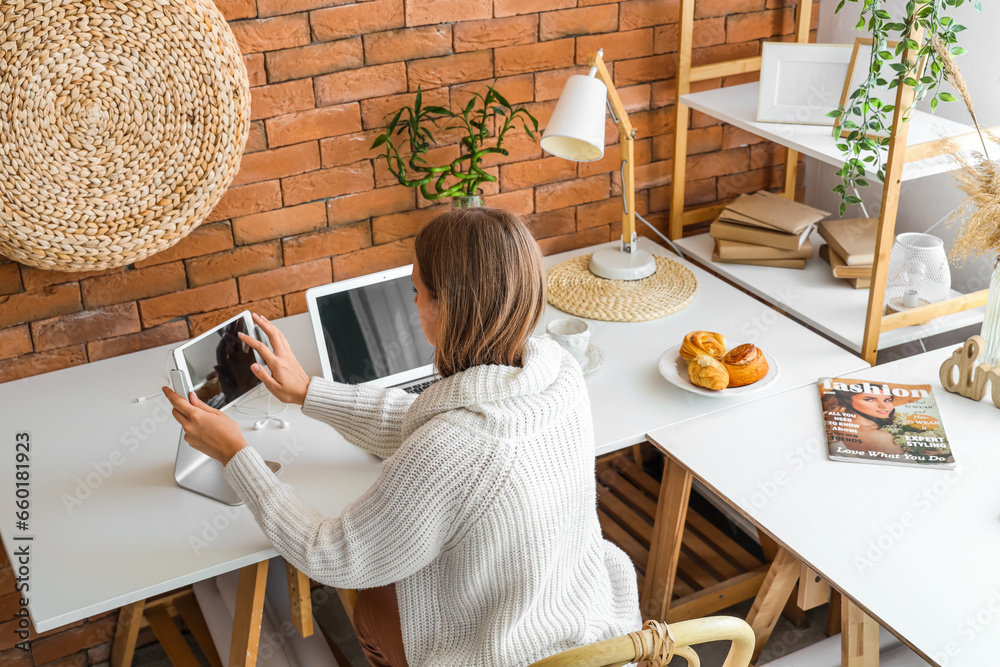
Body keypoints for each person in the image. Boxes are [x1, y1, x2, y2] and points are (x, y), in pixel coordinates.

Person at [162, 207, 641, 667]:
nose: (413, 304)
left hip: (499, 653)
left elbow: (331, 554)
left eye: (416, 291)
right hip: (584, 620)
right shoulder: (556, 372)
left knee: (370, 600)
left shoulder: (455, 444)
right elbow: (421, 418)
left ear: (446, 306)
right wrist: (308, 391)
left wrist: (236, 454)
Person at [823, 390, 902, 456]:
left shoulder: (836, 424)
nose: (884, 406)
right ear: (847, 401)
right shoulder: (880, 437)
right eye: (869, 399)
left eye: (887, 400)